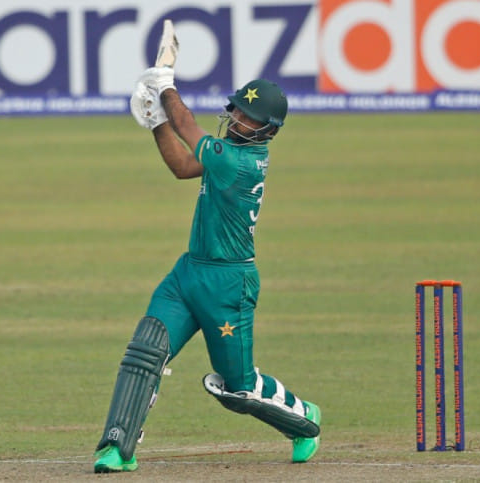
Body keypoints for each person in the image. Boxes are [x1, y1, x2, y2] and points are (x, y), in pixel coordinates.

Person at [93, 66, 321, 473]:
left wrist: (166, 89)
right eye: (237, 110)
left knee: (237, 388)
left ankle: (304, 419)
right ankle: (117, 446)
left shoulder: (240, 162)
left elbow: (186, 124)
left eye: (248, 117)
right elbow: (182, 166)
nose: (237, 119)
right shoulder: (226, 153)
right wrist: (156, 123)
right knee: (145, 351)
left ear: (268, 131)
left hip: (229, 285)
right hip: (188, 274)